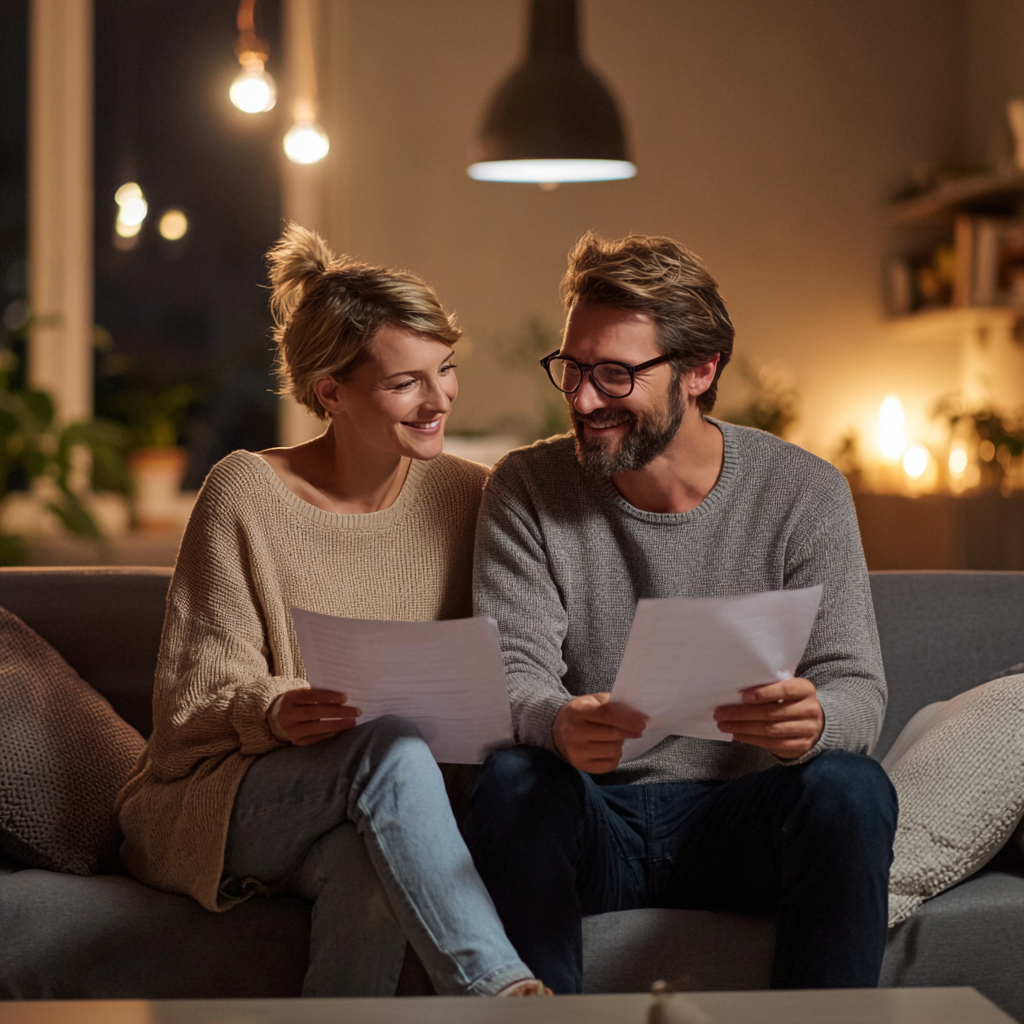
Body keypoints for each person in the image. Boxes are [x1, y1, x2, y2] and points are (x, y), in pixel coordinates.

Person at [116, 224, 546, 998]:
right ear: (330, 393)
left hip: (374, 807)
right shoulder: (243, 493)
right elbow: (187, 706)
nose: (439, 398)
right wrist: (281, 711)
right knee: (391, 749)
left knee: (376, 873)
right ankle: (501, 992)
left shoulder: (470, 498)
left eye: (445, 370)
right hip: (225, 799)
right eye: (405, 382)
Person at [463, 232, 898, 994]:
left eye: (615, 374)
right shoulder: (526, 487)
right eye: (572, 368)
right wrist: (558, 722)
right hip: (594, 817)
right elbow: (511, 674)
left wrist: (817, 720)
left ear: (700, 370)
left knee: (854, 789)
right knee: (512, 781)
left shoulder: (805, 492)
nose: (584, 399)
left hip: (743, 820)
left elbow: (856, 684)